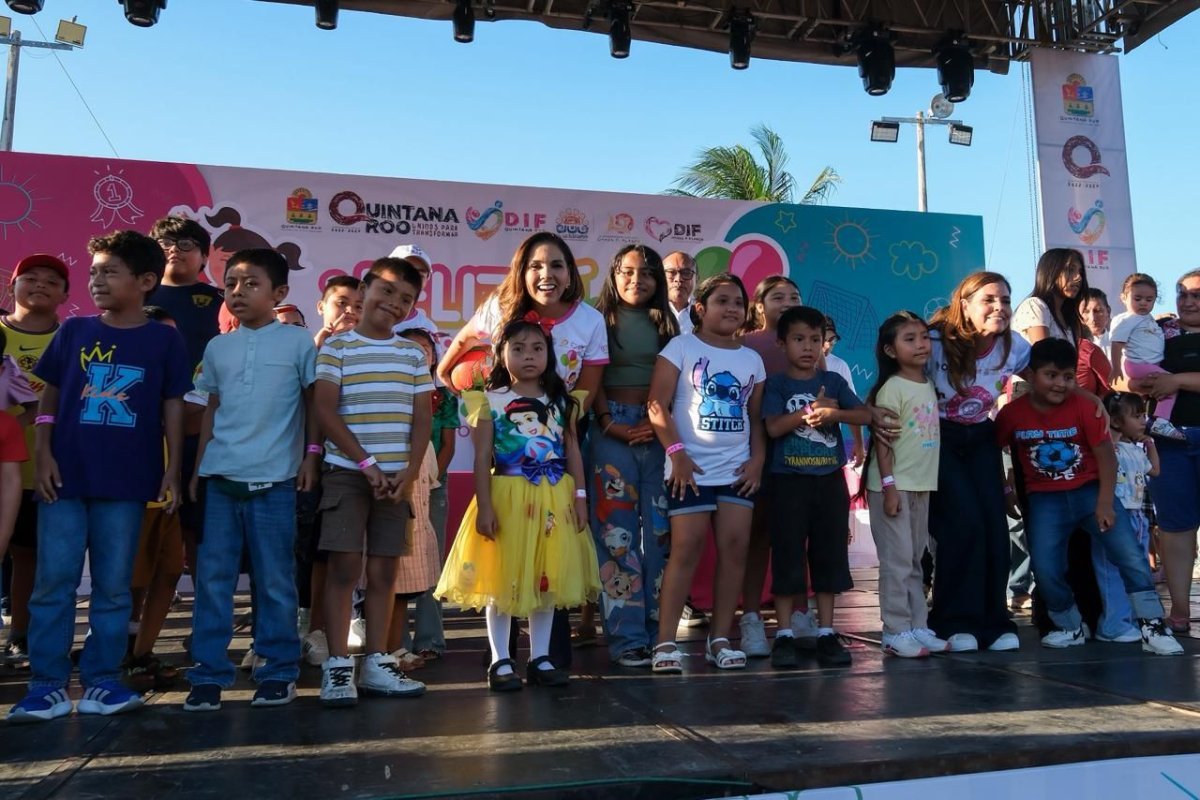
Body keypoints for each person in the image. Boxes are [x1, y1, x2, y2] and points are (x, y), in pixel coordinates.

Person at [8, 231, 190, 723]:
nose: (97, 280)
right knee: (53, 581)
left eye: (110, 271)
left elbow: (173, 404)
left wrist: (173, 467)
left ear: (146, 281)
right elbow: (49, 395)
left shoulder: (164, 339)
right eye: (93, 272)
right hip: (64, 480)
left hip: (130, 483)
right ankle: (45, 685)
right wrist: (42, 454)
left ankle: (102, 681)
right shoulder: (74, 332)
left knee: (113, 587)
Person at [436, 232, 607, 669]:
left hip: (555, 456)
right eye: (535, 265)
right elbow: (455, 359)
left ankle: (546, 660)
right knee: (505, 570)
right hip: (508, 472)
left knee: (550, 569)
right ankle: (501, 660)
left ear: (570, 272)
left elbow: (588, 383)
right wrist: (465, 386)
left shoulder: (589, 320)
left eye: (556, 265)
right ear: (521, 270)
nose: (546, 274)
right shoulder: (497, 308)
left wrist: (560, 410)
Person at [182, 249, 319, 712]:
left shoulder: (299, 343)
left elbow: (313, 403)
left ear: (279, 292)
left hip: (276, 481)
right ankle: (208, 673)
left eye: (250, 283)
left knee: (275, 579)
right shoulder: (218, 346)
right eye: (231, 284)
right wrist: (199, 469)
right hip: (220, 478)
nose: (237, 292)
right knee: (214, 580)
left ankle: (278, 670)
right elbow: (211, 409)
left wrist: (311, 457)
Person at [995, 338, 1181, 655]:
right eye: (1051, 375)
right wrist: (1007, 487)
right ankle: (1069, 624)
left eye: (1068, 377)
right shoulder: (1012, 414)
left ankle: (1152, 625)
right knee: (1045, 566)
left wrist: (1105, 501)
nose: (1060, 384)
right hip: (1045, 500)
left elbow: (1105, 454)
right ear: (1031, 375)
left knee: (1131, 557)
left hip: (1090, 492)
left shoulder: (1084, 406)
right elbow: (993, 449)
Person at [313, 256, 433, 707]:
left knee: (385, 572)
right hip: (348, 475)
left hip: (396, 482)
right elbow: (325, 411)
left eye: (406, 299)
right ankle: (338, 667)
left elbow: (422, 419)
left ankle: (378, 663)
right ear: (365, 293)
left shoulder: (411, 354)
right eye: (387, 292)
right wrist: (367, 464)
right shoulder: (337, 349)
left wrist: (408, 472)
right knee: (344, 570)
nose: (394, 304)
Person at [647, 274, 765, 674]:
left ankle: (719, 640)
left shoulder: (752, 359)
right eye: (722, 301)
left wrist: (757, 461)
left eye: (738, 302)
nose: (732, 308)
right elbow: (656, 405)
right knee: (687, 549)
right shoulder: (680, 347)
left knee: (735, 550)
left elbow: (756, 420)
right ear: (700, 308)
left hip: (737, 472)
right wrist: (677, 454)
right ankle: (665, 643)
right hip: (690, 471)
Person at [917, 271, 1028, 652]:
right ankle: (952, 620)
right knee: (961, 523)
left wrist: (1091, 402)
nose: (1000, 308)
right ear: (964, 305)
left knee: (993, 525)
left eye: (1006, 301)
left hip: (981, 436)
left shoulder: (1015, 347)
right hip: (938, 438)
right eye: (989, 300)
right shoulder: (933, 342)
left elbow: (1049, 380)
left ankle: (994, 621)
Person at [762, 306, 870, 668]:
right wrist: (809, 411)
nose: (808, 347)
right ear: (782, 343)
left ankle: (826, 632)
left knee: (828, 557)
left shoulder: (836, 383)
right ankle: (785, 635)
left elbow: (865, 414)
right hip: (788, 483)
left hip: (829, 482)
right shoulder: (776, 384)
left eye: (815, 340)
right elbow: (773, 428)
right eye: (798, 339)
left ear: (825, 344)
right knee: (788, 555)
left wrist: (833, 414)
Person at [588, 244, 679, 667]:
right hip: (611, 431)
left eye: (645, 273)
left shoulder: (669, 322)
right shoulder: (596, 318)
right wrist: (609, 423)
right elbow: (591, 376)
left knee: (660, 534)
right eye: (627, 272)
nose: (635, 280)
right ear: (614, 274)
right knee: (615, 535)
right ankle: (627, 641)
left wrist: (658, 424)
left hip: (658, 429)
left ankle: (659, 634)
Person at [148, 216, 224, 619]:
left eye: (186, 243)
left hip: (200, 426)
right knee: (144, 527)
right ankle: (131, 628)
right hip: (143, 430)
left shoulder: (218, 299)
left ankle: (206, 616)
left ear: (204, 255)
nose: (174, 249)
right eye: (165, 242)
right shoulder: (136, 294)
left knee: (198, 526)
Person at [860, 311, 947, 658]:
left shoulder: (927, 383)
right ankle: (895, 631)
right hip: (892, 488)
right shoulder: (892, 387)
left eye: (924, 337)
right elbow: (883, 443)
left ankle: (917, 626)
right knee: (896, 562)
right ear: (890, 350)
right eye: (909, 339)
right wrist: (891, 487)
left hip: (920, 485)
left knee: (914, 559)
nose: (921, 344)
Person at [0, 254, 68, 666]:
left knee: (30, 555)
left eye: (52, 280)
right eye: (31, 278)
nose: (40, 285)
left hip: (40, 470)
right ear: (13, 286)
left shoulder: (72, 338)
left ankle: (21, 634)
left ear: (65, 295)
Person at [737, 275, 807, 657]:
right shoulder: (747, 344)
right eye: (777, 296)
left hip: (801, 457)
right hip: (758, 452)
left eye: (794, 296)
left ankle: (799, 613)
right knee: (758, 537)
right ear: (759, 306)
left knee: (796, 538)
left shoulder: (810, 345)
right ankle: (750, 617)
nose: (787, 301)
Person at [299, 274, 363, 667]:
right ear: (322, 306)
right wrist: (310, 456)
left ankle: (330, 630)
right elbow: (310, 407)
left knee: (337, 555)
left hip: (352, 468)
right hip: (310, 464)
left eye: (358, 305)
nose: (350, 312)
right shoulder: (307, 348)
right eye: (342, 303)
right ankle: (304, 630)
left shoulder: (368, 349)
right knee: (305, 554)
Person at [122, 306, 186, 688]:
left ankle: (142, 652)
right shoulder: (126, 382)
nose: (169, 343)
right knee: (129, 584)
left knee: (169, 573)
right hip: (131, 500)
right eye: (162, 334)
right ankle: (122, 656)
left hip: (167, 498)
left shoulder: (177, 382)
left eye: (174, 335)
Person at [1135, 269, 1200, 633]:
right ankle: (1178, 611)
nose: (1189, 301)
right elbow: (1125, 375)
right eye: (1182, 294)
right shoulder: (1154, 331)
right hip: (1169, 444)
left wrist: (1176, 381)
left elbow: (1170, 381)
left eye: (1197, 295)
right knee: (1175, 529)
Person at [387, 327, 450, 668]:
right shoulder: (393, 391)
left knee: (428, 564)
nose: (418, 354)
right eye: (410, 348)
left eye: (424, 349)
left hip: (434, 484)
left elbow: (449, 443)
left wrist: (431, 478)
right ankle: (396, 644)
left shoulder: (442, 397)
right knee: (396, 567)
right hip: (400, 482)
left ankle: (430, 640)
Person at [1086, 391, 1161, 643]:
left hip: (1137, 515)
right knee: (1110, 570)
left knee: (1136, 568)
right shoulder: (1108, 448)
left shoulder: (1135, 449)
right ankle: (1112, 624)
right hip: (1115, 515)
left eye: (1144, 415)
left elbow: (1156, 470)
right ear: (1116, 422)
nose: (1143, 421)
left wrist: (1150, 444)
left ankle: (1129, 620)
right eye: (1137, 416)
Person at [1110, 274, 1183, 440]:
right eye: (1138, 298)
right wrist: (1115, 368)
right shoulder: (1126, 320)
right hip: (1138, 365)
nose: (1143, 303)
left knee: (1155, 392)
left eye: (1149, 300)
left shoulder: (1145, 318)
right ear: (1124, 298)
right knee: (1171, 384)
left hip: (1149, 364)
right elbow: (1117, 343)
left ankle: (1150, 419)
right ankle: (1162, 421)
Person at [1012, 248, 1087, 345]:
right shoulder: (1035, 305)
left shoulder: (1068, 317)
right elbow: (1044, 356)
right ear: (1051, 271)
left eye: (1080, 272)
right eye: (1070, 269)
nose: (1078, 277)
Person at [821, 317, 865, 466]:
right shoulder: (792, 364)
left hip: (830, 452)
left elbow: (852, 407)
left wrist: (859, 444)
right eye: (821, 339)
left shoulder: (840, 366)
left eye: (832, 340)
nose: (827, 345)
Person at [663, 251, 697, 335]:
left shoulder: (706, 315)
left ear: (697, 278)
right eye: (671, 272)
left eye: (686, 273)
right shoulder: (646, 313)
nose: (678, 279)